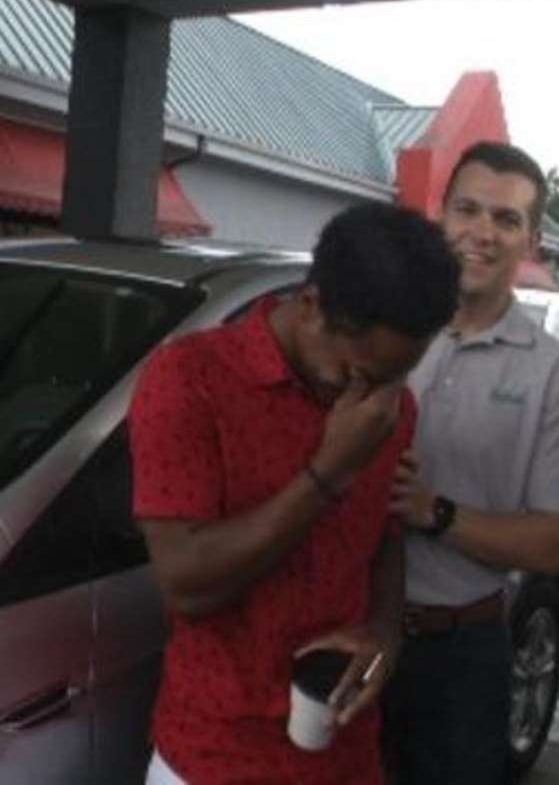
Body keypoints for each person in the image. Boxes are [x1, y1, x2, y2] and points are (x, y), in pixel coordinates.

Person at [128, 202, 460, 784]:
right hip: (215, 756)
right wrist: (329, 472)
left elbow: (382, 537)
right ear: (311, 306)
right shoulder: (190, 379)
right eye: (356, 375)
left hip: (346, 753)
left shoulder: (390, 406)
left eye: (396, 378)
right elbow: (187, 583)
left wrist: (383, 635)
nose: (376, 400)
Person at [385, 141, 559, 785]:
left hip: (460, 655)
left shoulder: (549, 371)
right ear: (442, 216)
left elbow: (553, 542)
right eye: (468, 210)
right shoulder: (380, 327)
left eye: (507, 219)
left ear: (530, 239)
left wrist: (436, 512)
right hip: (341, 622)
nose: (482, 233)